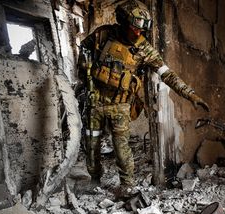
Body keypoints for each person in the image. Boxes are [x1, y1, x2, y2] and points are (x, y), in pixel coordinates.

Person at [79, 0, 209, 191]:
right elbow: (83, 47)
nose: (138, 33)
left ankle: (127, 186)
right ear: (123, 22)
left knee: (121, 149)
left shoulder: (144, 49)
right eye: (134, 28)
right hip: (95, 100)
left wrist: (190, 95)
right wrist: (85, 69)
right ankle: (95, 178)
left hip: (120, 106)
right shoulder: (103, 34)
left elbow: (167, 74)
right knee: (91, 146)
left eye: (142, 30)